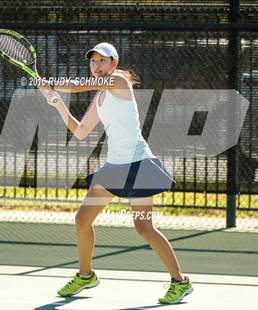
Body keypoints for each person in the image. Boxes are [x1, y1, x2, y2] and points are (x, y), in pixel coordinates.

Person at [39, 42, 193, 304]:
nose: (96, 66)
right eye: (93, 61)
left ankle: (180, 282)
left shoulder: (120, 81)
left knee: (144, 227)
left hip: (139, 166)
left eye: (102, 61)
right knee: (82, 219)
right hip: (114, 169)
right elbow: (80, 131)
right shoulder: (100, 97)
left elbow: (77, 85)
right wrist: (56, 103)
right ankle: (86, 275)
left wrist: (52, 82)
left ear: (114, 64)